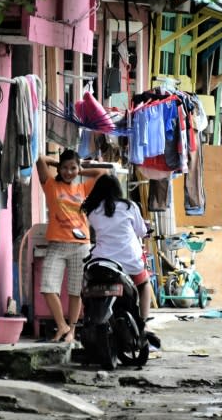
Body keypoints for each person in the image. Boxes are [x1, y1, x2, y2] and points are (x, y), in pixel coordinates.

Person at [80, 174, 160, 348]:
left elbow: (93, 233)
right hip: (129, 260)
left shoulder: (92, 210)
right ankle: (144, 323)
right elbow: (140, 231)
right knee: (144, 284)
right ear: (118, 189)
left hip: (101, 261)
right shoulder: (129, 206)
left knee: (86, 287)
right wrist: (146, 230)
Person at [36, 149, 107, 343]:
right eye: (65, 168)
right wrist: (59, 165)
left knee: (75, 291)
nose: (68, 172)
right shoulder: (51, 185)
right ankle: (62, 325)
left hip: (80, 245)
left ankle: (71, 331)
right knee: (48, 287)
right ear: (59, 168)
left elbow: (103, 174)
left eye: (72, 168)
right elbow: (41, 160)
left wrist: (80, 169)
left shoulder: (82, 189)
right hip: (57, 245)